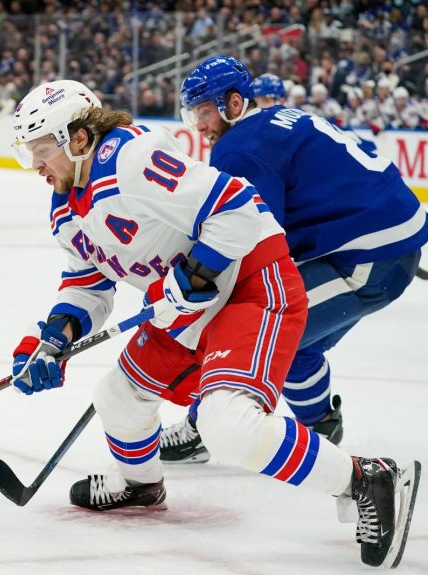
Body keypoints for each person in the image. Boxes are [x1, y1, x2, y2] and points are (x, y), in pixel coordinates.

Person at [8, 79, 420, 568]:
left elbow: (238, 207)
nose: (34, 165)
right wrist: (54, 339)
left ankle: (368, 478)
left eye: (40, 150)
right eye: (26, 153)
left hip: (250, 285)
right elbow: (87, 284)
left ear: (78, 138)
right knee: (116, 396)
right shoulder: (64, 207)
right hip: (188, 309)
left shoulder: (131, 159)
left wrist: (195, 272)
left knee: (227, 426)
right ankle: (141, 485)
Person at [161, 56, 427, 472]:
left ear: (234, 104)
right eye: (193, 114)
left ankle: (201, 427)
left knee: (254, 326)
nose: (199, 126)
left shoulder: (240, 148)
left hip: (370, 256)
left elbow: (252, 236)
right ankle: (321, 427)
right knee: (296, 342)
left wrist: (200, 278)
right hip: (382, 240)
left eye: (205, 112)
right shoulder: (277, 119)